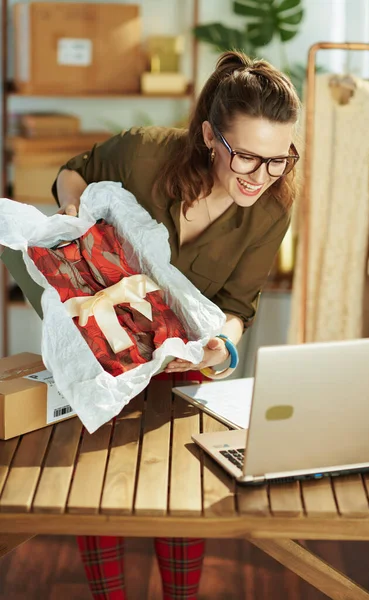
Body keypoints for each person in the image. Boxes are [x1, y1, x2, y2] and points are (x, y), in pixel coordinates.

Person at [53, 50, 300, 600]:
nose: (262, 176)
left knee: (179, 483)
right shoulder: (145, 154)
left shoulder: (272, 208)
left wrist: (220, 352)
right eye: (247, 158)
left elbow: (238, 305)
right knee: (94, 477)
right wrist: (74, 217)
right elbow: (74, 171)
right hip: (104, 336)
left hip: (180, 355)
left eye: (280, 159)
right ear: (211, 136)